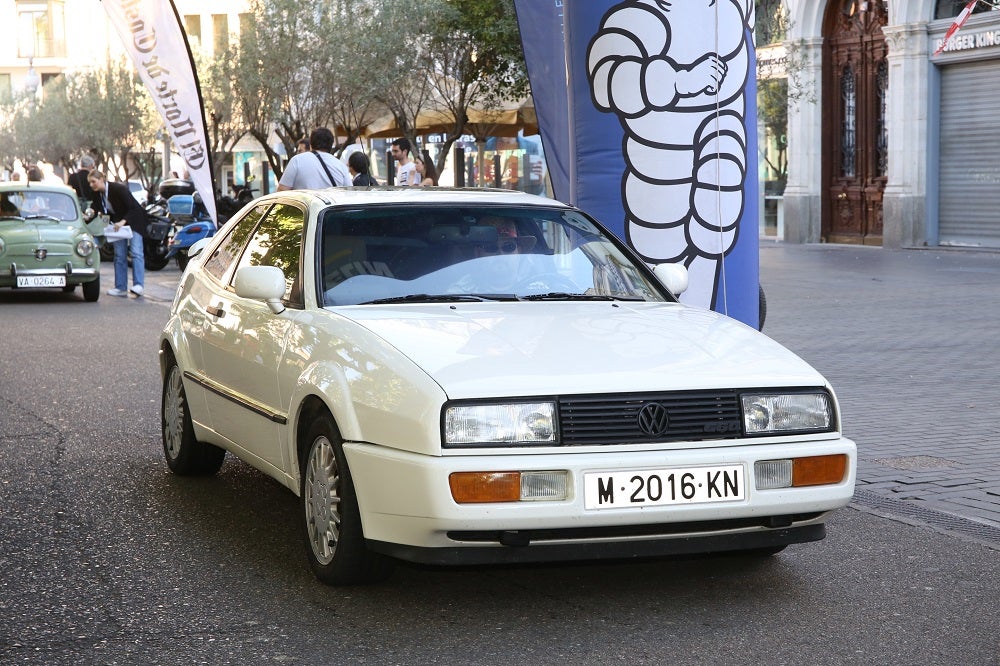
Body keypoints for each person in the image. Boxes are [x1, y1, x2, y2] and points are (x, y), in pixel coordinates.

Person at [88, 170, 147, 297]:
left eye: (94, 181)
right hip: (116, 225)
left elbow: (132, 207)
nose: (92, 185)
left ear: (102, 179)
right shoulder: (98, 194)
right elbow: (98, 209)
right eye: (90, 183)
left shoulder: (118, 189)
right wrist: (88, 215)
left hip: (133, 221)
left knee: (136, 252)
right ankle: (120, 287)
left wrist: (122, 222)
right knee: (119, 255)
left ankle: (138, 285)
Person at [277, 127, 351, 190]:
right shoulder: (341, 166)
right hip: (332, 206)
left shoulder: (297, 161)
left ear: (311, 144)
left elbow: (282, 190)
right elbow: (349, 194)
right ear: (331, 145)